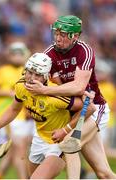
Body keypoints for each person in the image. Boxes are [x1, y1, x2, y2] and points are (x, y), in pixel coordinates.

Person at [0, 53, 95, 179]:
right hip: (39, 139)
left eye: (37, 75)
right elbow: (13, 109)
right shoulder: (22, 85)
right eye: (30, 72)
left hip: (57, 144)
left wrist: (65, 129)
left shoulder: (55, 95)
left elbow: (89, 108)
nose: (32, 78)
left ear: (45, 76)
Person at [24, 15, 116, 178]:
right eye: (56, 33)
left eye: (63, 35)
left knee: (68, 144)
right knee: (103, 174)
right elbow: (60, 88)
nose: (58, 38)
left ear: (75, 36)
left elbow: (78, 86)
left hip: (94, 109)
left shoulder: (84, 51)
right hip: (75, 110)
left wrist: (45, 91)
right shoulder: (49, 54)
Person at [0, 41, 34, 179]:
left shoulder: (28, 71)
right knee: (18, 149)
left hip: (26, 117)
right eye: (15, 53)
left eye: (20, 53)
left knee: (18, 151)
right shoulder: (1, 71)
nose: (17, 56)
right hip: (8, 116)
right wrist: (9, 93)